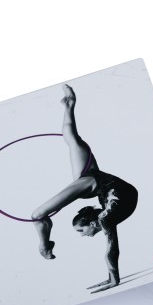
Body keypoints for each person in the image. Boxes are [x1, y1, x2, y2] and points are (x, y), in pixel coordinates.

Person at [31, 84, 138, 293]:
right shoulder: (105, 217)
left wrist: (112, 278)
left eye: (80, 230)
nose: (82, 235)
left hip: (101, 184)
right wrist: (113, 278)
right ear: (92, 223)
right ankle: (44, 246)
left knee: (73, 141)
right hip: (99, 184)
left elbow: (112, 249)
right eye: (81, 230)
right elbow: (112, 248)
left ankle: (69, 105)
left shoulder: (106, 215)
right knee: (37, 215)